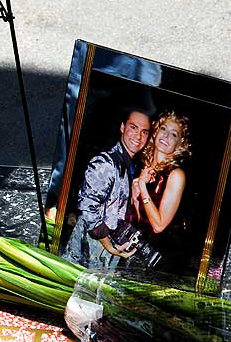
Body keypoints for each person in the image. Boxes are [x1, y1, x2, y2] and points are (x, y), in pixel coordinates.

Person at [63, 110, 151, 268]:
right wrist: (108, 244)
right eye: (133, 127)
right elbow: (87, 207)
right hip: (85, 256)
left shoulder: (132, 167)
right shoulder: (106, 163)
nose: (138, 136)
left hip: (105, 260)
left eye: (144, 132)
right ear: (122, 127)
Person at [129, 110, 191, 256]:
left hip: (161, 256)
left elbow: (158, 226)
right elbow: (141, 221)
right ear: (155, 132)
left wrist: (143, 188)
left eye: (174, 134)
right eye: (163, 129)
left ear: (179, 145)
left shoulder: (176, 175)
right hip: (138, 250)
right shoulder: (144, 167)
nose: (166, 136)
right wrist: (134, 197)